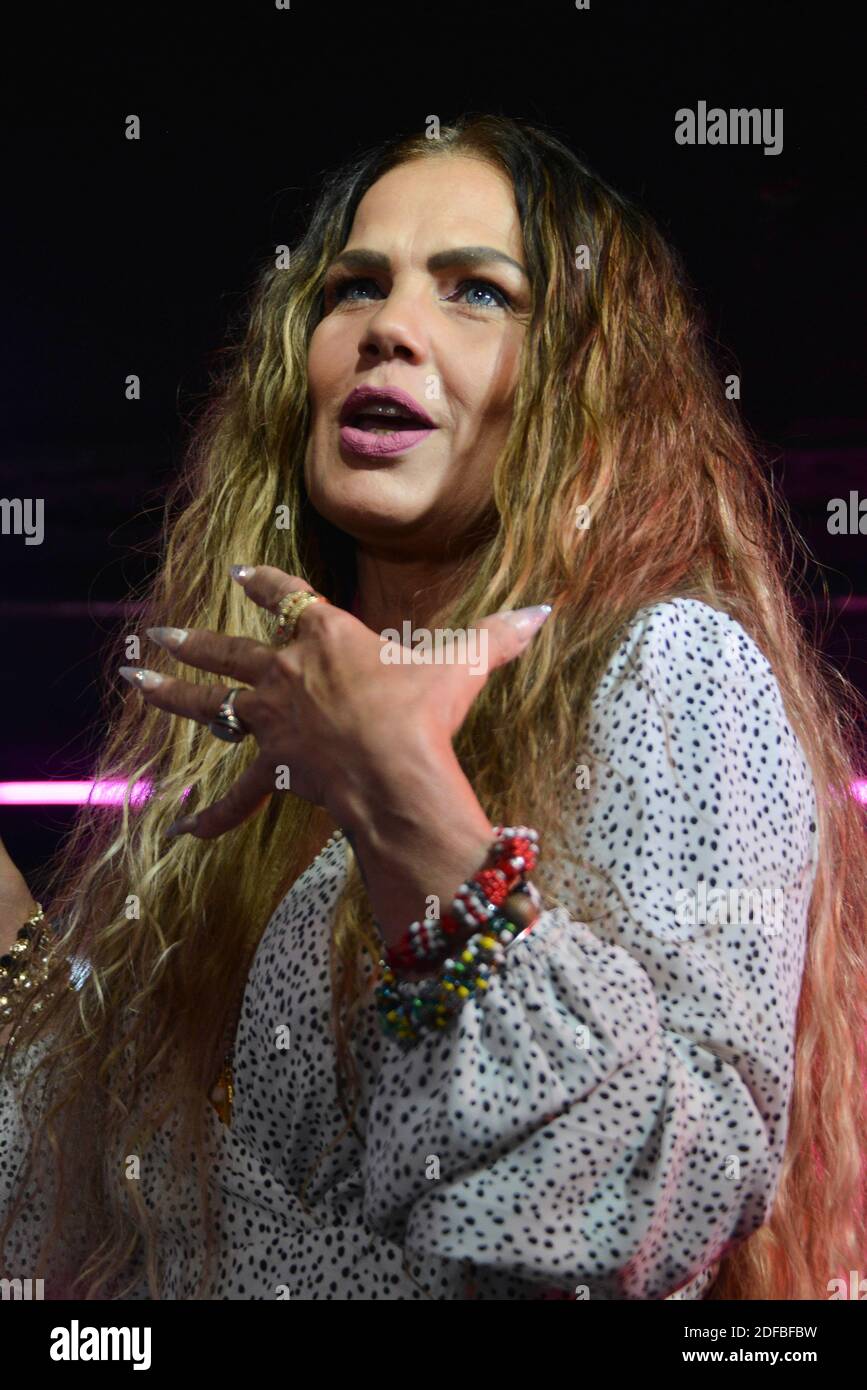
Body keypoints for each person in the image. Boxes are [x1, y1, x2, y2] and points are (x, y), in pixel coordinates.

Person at [1, 114, 865, 1301]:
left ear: (583, 384)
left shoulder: (668, 666)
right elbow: (97, 1214)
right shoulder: (264, 739)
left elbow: (677, 1188)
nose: (388, 329)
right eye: (356, 286)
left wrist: (405, 805)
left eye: (478, 294)